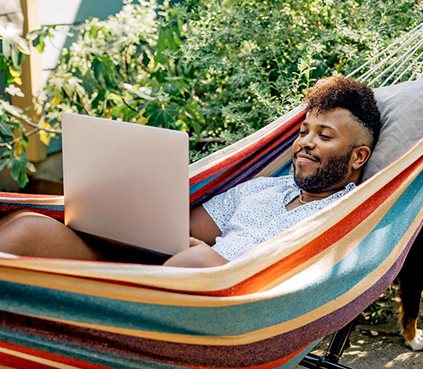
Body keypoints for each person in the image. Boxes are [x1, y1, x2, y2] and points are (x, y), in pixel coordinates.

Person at [0, 76, 381, 267]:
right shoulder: (260, 189)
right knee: (27, 228)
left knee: (197, 262)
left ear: (358, 156)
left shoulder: (351, 212)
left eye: (324, 135)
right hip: (155, 284)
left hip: (220, 314)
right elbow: (175, 236)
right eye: (303, 132)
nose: (305, 143)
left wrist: (203, 259)